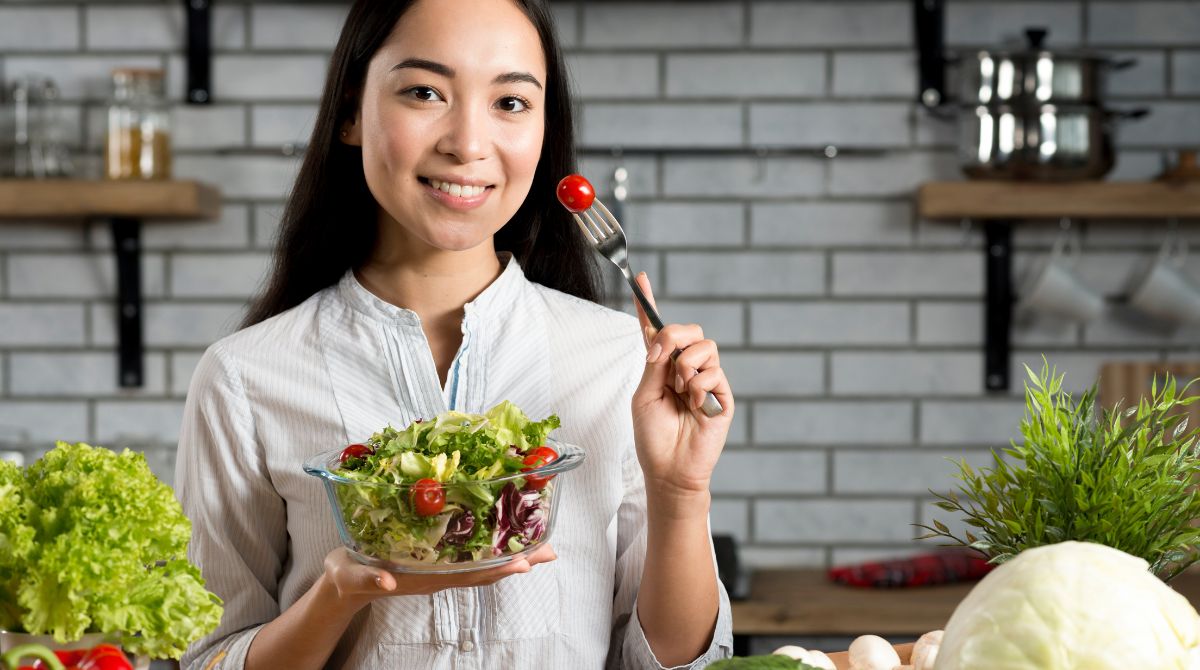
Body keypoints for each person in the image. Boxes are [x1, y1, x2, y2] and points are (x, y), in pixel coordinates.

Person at [174, 0, 735, 668]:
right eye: (424, 92)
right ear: (352, 112)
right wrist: (335, 596)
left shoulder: (618, 361)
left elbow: (674, 662)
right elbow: (206, 657)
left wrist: (680, 496)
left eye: (511, 103)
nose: (468, 143)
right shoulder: (245, 377)